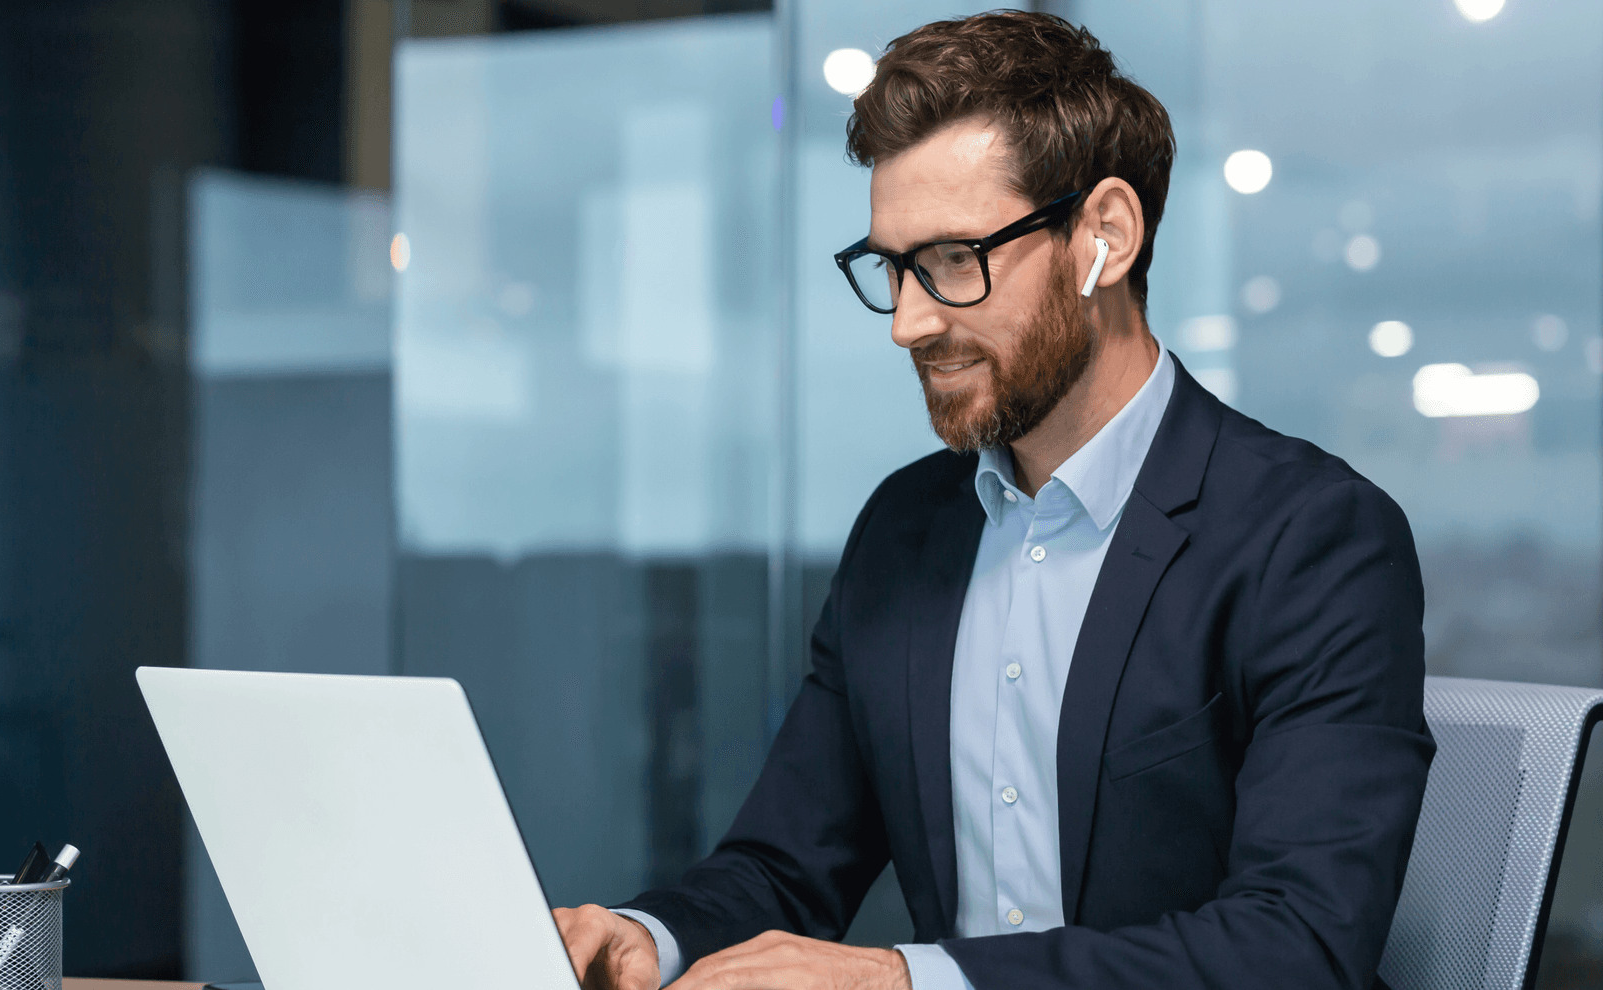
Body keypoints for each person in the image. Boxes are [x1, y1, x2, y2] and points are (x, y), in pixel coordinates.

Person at [556, 11, 1433, 990]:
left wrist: (904, 981)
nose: (907, 322)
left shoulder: (1308, 538)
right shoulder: (904, 531)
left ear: (1102, 236)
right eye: (892, 267)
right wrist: (648, 934)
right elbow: (783, 865)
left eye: (950, 261)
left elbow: (1296, 947)